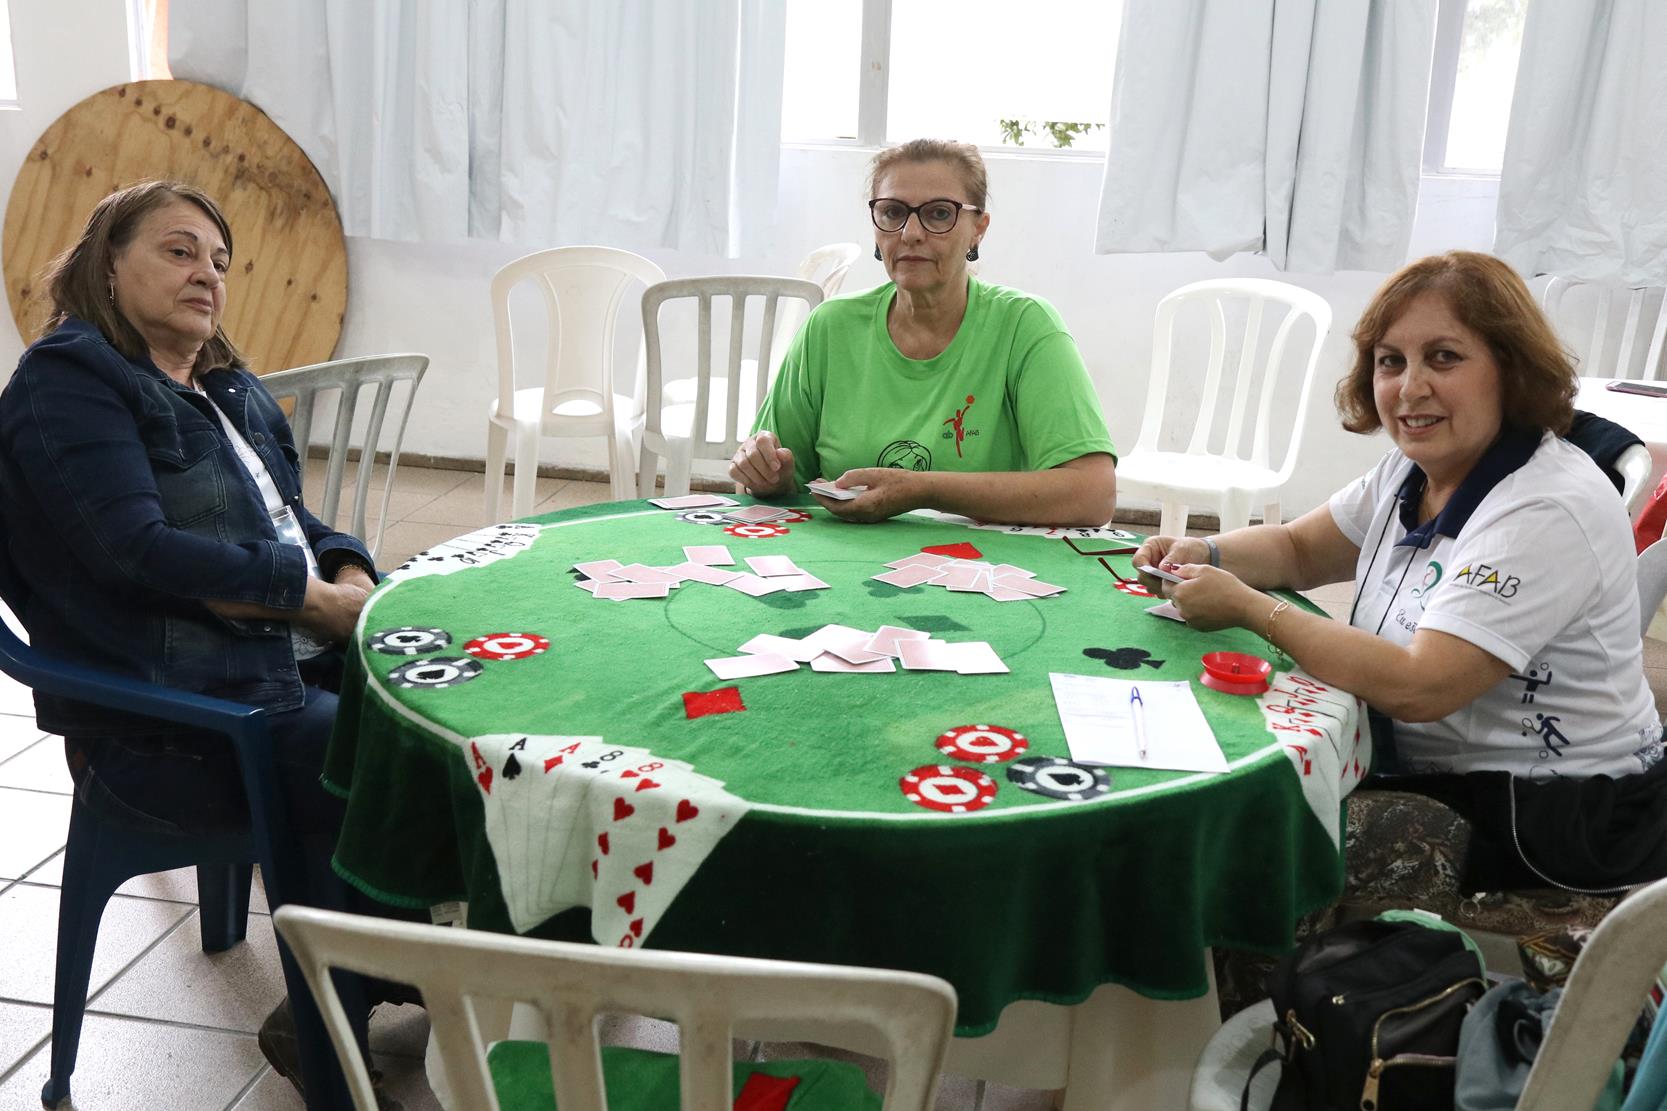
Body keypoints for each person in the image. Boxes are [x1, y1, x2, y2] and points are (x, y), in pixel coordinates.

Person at [0, 180, 402, 1103]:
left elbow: (291, 520)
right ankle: (339, 1029)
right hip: (178, 717)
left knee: (460, 715)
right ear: (108, 264)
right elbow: (135, 550)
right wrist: (305, 600)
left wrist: (348, 569)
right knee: (393, 761)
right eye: (179, 251)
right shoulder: (71, 382)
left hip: (274, 669)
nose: (208, 275)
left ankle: (387, 980)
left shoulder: (223, 385)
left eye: (219, 261)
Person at [1135, 251, 1667, 897]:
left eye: (1443, 357)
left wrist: (1252, 609)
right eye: (1390, 361)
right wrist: (1204, 552)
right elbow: (1299, 549)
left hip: (1550, 814)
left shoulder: (1545, 507)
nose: (1410, 388)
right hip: (1445, 773)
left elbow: (1421, 687)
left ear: (1510, 367)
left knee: (1245, 833)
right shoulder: (1415, 468)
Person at [729, 138, 1118, 526]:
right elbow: (768, 482)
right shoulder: (830, 328)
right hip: (844, 555)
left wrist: (922, 490)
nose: (911, 233)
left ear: (978, 229)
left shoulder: (1024, 326)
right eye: (892, 212)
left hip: (985, 558)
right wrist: (766, 476)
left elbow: (1092, 494)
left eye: (939, 214)